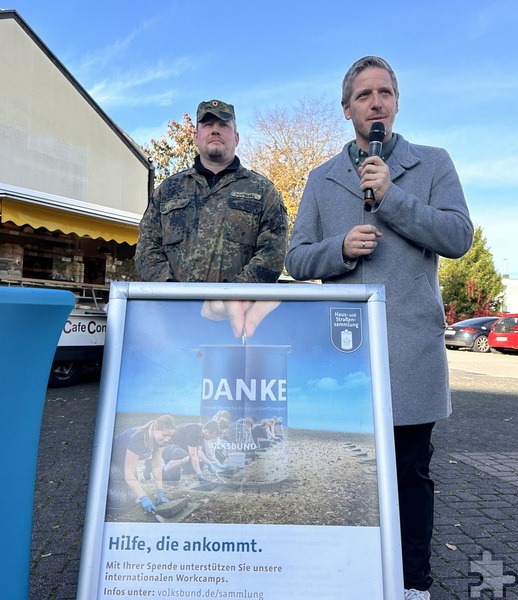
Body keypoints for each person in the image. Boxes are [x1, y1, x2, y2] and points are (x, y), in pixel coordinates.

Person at [285, 56, 473, 599]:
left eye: (384, 93)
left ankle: (413, 583)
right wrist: (338, 250)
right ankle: (346, 576)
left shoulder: (433, 164)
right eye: (364, 95)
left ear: (395, 104)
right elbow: (296, 259)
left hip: (410, 354)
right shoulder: (321, 180)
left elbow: (458, 236)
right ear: (347, 109)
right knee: (343, 473)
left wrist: (392, 198)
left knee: (410, 476)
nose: (375, 102)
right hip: (342, 359)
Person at [134, 99, 288, 337]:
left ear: (236, 138)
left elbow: (272, 254)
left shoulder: (263, 191)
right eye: (208, 124)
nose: (215, 129)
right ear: (196, 136)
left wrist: (230, 298)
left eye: (223, 125)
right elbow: (146, 250)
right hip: (173, 324)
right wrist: (175, 296)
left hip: (237, 325)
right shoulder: (168, 190)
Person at [107, 415, 177, 515]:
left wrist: (160, 491)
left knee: (131, 497)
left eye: (170, 436)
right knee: (119, 501)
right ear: (155, 429)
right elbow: (129, 475)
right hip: (111, 458)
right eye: (164, 435)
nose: (167, 439)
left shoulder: (160, 441)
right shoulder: (139, 437)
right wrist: (144, 498)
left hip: (126, 461)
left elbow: (156, 466)